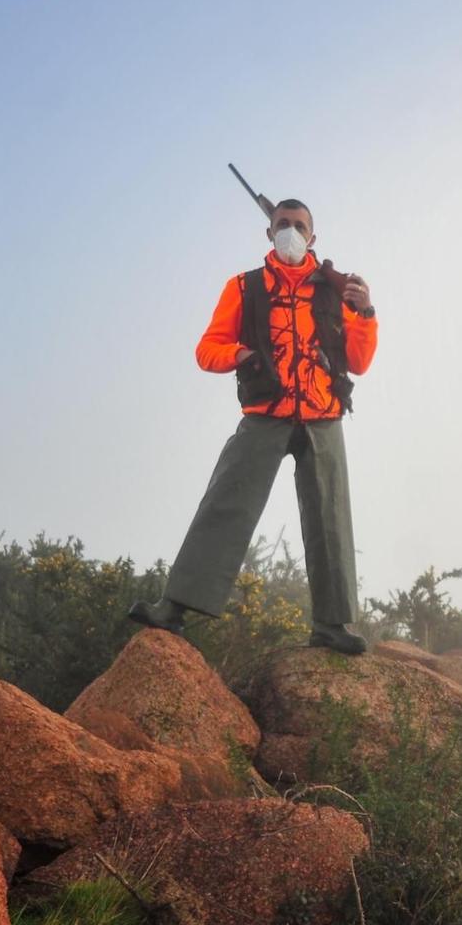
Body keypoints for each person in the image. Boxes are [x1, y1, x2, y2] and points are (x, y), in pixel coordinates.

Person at [129, 197, 379, 652]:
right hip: (265, 413)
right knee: (226, 502)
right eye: (282, 224)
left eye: (299, 226)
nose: (291, 232)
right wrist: (239, 355)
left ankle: (332, 625)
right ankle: (175, 606)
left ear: (313, 237)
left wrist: (365, 314)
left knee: (331, 519)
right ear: (268, 232)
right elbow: (207, 349)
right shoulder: (243, 287)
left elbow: (359, 362)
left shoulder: (335, 290)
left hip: (323, 417)